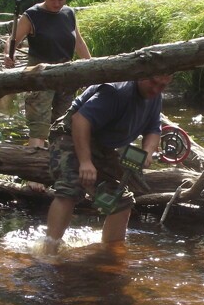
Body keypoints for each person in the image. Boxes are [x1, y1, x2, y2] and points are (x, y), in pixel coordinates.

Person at [43, 75, 173, 250]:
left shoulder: (155, 97)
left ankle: (110, 253)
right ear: (141, 74)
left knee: (122, 201)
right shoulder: (116, 91)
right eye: (153, 83)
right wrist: (85, 162)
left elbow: (153, 129)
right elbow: (80, 121)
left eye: (162, 86)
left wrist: (148, 152)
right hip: (70, 135)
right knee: (70, 188)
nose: (156, 90)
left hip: (104, 145)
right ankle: (48, 250)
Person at [4, 0, 92, 151]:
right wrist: (8, 54)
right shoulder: (32, 16)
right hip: (39, 76)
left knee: (64, 125)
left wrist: (91, 66)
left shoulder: (69, 13)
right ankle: (34, 175)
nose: (57, 3)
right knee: (39, 126)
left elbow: (79, 43)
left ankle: (57, 168)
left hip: (66, 75)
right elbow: (12, 40)